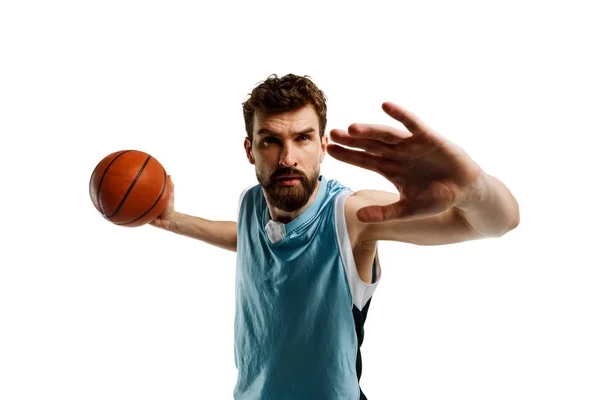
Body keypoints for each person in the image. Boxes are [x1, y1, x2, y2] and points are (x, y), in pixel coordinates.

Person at [151, 74, 520, 399]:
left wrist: (473, 188)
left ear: (323, 146)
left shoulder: (353, 216)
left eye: (303, 138)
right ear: (250, 150)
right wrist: (172, 220)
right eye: (271, 141)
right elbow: (250, 240)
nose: (288, 158)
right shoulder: (252, 203)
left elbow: (492, 223)